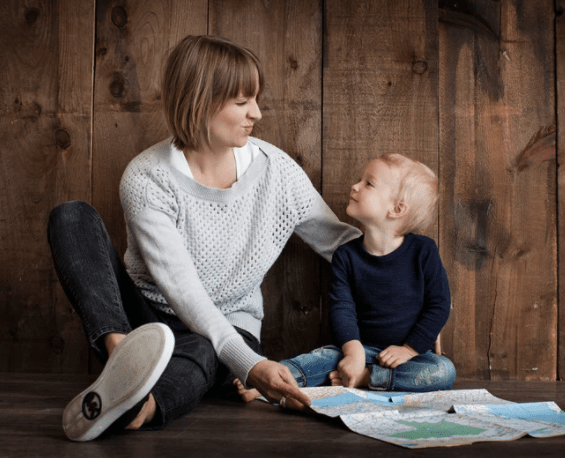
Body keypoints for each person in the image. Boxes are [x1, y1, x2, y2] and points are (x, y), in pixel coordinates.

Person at [47, 35, 360, 441]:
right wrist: (250, 366)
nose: (257, 114)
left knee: (202, 349)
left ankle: (139, 408)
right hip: (144, 319)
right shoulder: (146, 178)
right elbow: (184, 291)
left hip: (227, 326)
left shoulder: (276, 171)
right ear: (201, 100)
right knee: (71, 216)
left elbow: (341, 243)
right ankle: (123, 359)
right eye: (243, 101)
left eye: (255, 99)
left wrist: (413, 292)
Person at [238, 153, 455, 400]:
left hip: (409, 357)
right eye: (360, 180)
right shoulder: (346, 256)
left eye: (368, 183)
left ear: (397, 209)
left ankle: (367, 379)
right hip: (359, 348)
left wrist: (409, 349)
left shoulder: (423, 251)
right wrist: (353, 354)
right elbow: (342, 309)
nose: (355, 186)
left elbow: (438, 305)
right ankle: (267, 382)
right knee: (320, 359)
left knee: (443, 371)